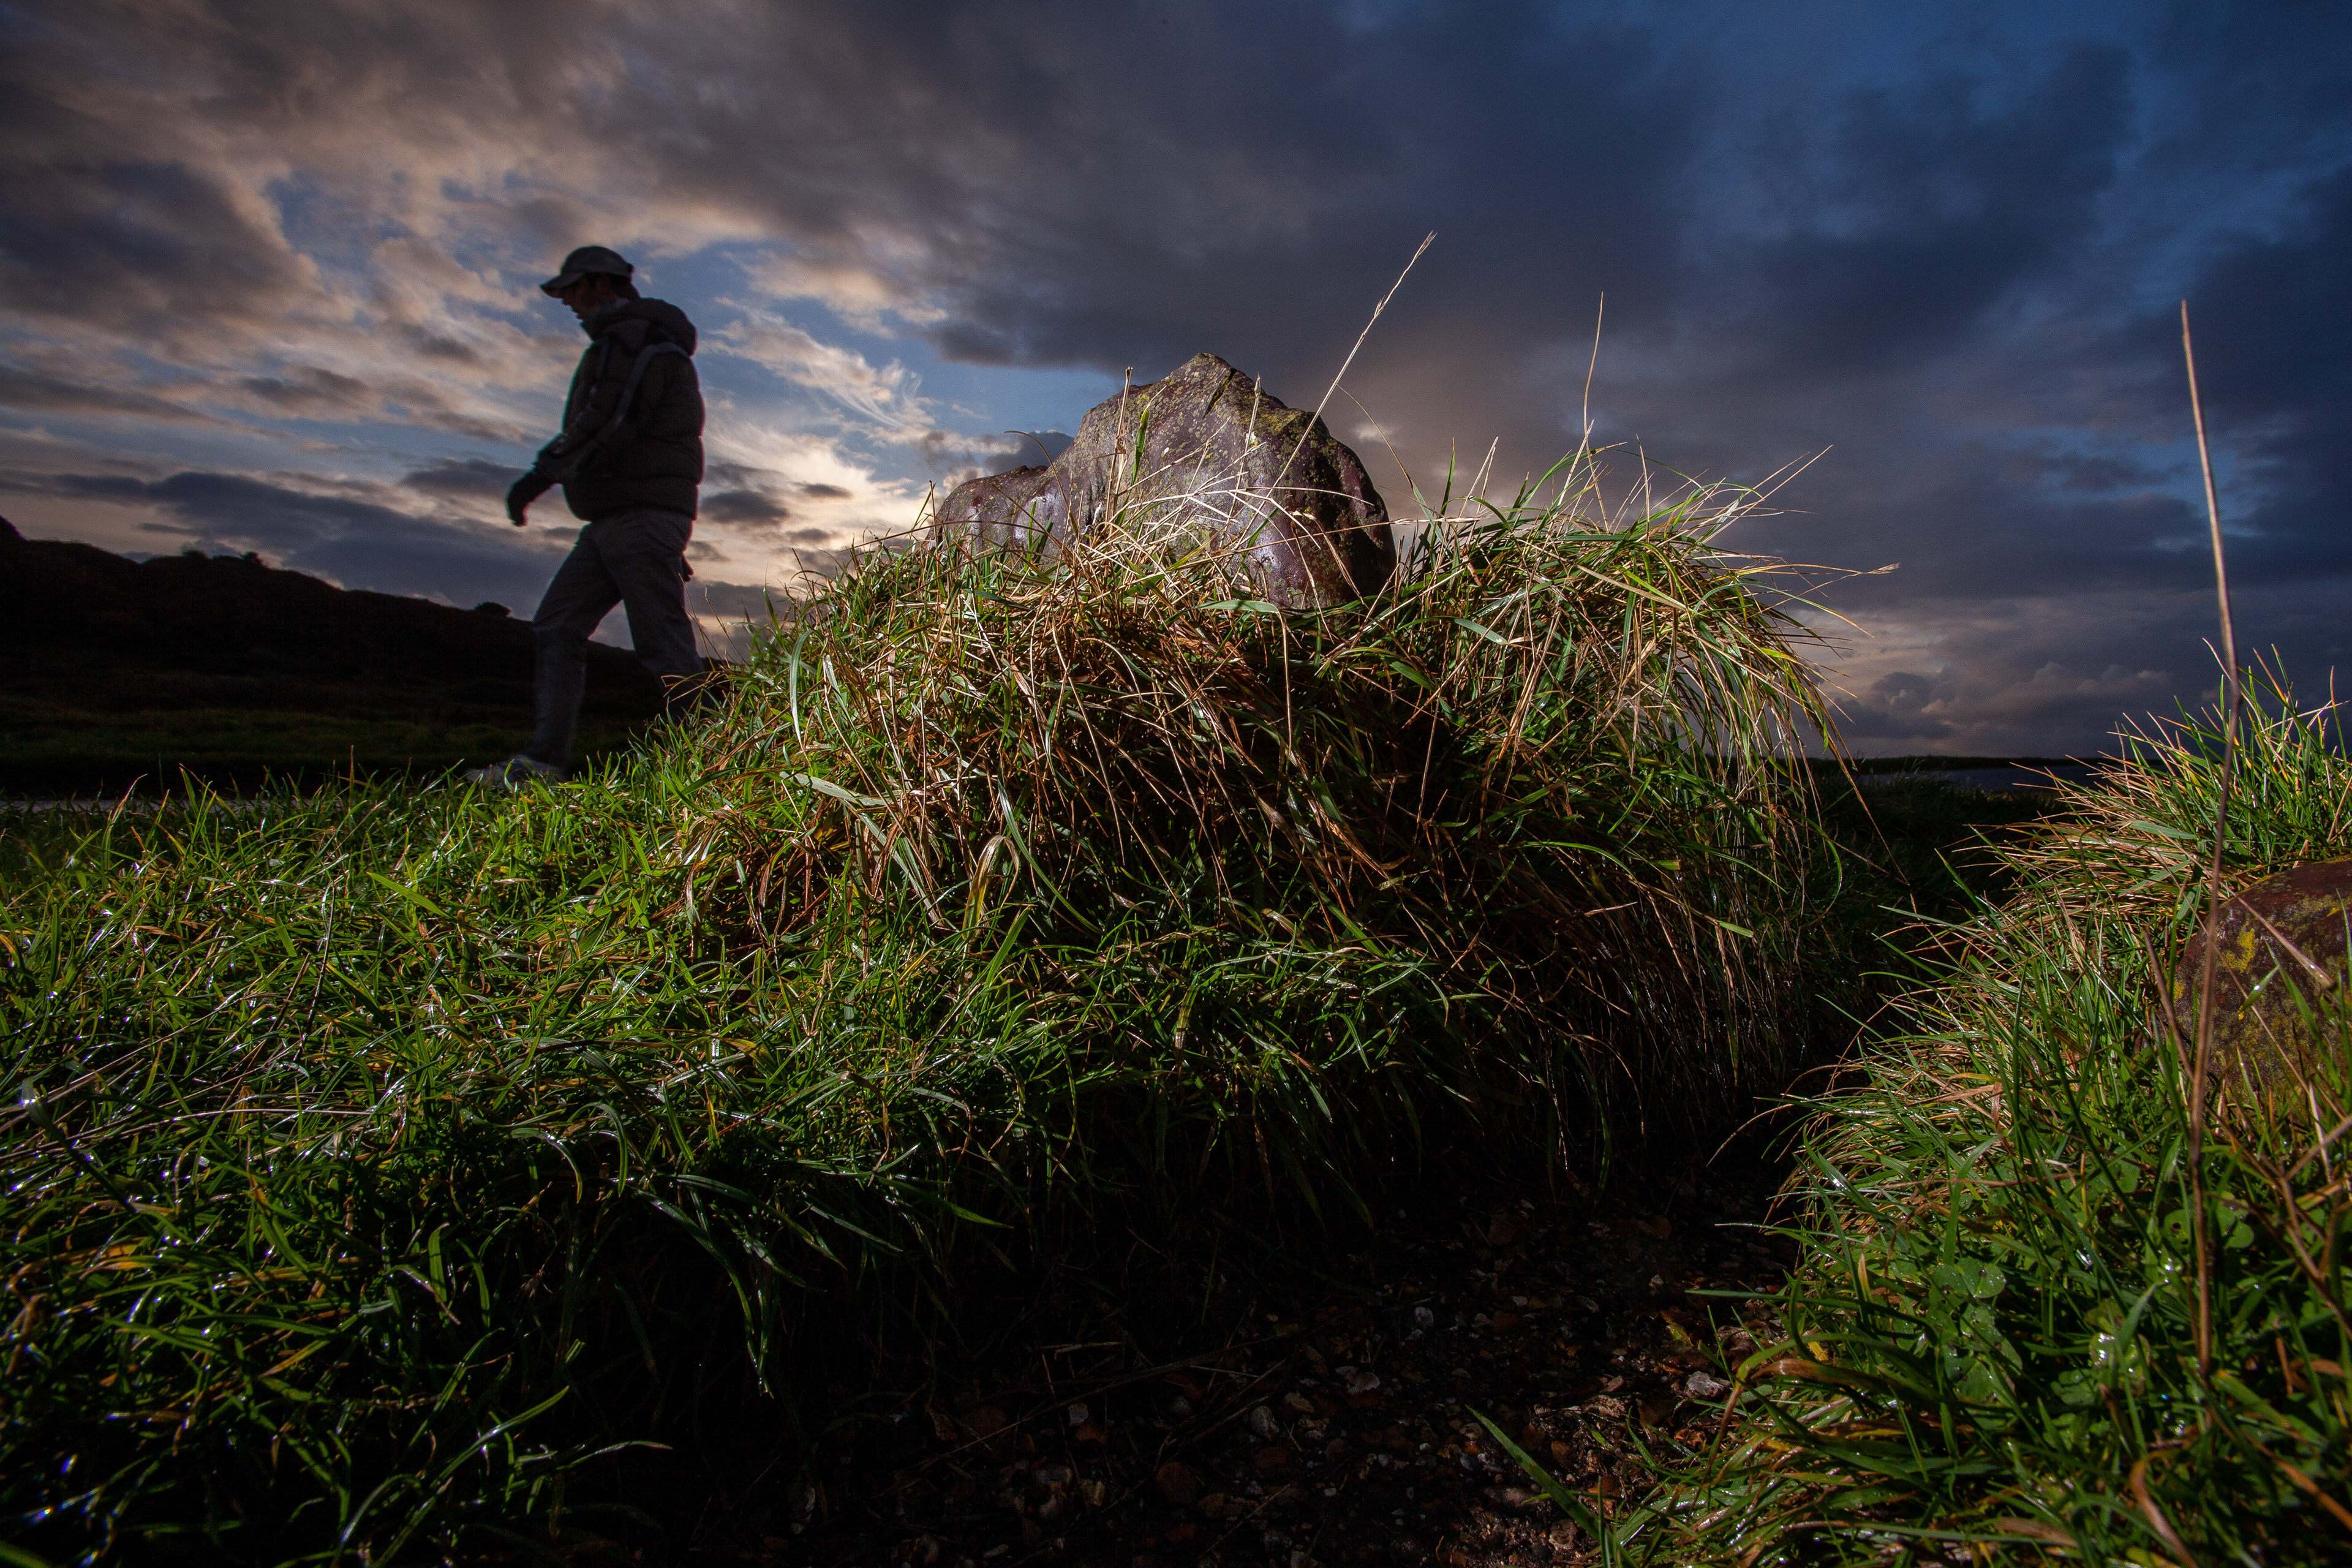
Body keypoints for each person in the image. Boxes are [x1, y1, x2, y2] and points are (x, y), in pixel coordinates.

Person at [467, 245, 708, 786]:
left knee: (663, 647)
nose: (568, 302)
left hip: (637, 519)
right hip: (616, 521)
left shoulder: (637, 340)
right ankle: (544, 761)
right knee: (556, 625)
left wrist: (540, 475)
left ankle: (713, 766)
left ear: (603, 283)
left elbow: (609, 420)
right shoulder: (631, 340)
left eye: (573, 289)